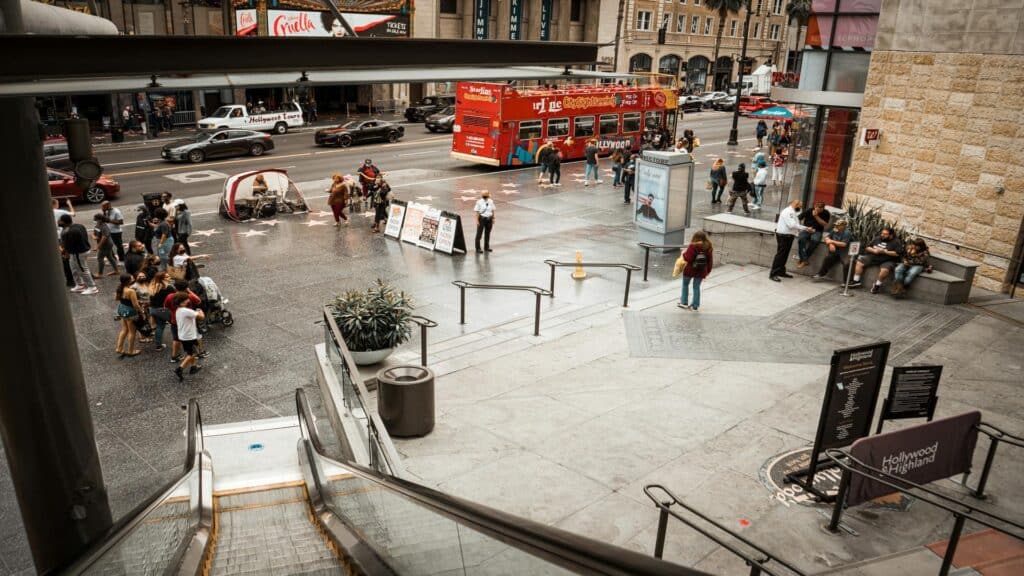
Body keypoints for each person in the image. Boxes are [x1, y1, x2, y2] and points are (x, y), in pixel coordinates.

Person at [850, 227, 904, 293]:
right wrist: (874, 250)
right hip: (873, 256)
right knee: (860, 261)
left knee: (885, 270)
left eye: (885, 234)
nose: (882, 235)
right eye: (882, 233)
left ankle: (877, 285)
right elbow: (867, 247)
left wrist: (885, 252)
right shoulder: (878, 238)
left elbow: (897, 254)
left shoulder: (896, 242)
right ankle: (856, 281)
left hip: (887, 260)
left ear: (891, 235)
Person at [770, 200, 813, 282]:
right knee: (780, 255)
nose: (800, 208)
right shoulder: (788, 212)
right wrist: (806, 228)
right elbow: (792, 225)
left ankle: (781, 271)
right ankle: (773, 274)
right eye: (799, 206)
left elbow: (795, 222)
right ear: (795, 204)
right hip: (784, 236)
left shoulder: (792, 212)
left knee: (784, 255)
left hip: (788, 236)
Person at [165, 280, 205, 364]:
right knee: (197, 335)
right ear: (186, 287)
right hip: (189, 321)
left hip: (174, 320)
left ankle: (174, 356)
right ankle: (199, 353)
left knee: (176, 339)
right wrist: (189, 291)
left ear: (175, 287)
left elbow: (166, 307)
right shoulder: (189, 296)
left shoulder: (170, 296)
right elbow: (199, 301)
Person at [59, 214, 99, 295]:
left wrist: (64, 253)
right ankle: (80, 285)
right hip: (83, 250)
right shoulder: (79, 226)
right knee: (73, 268)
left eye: (59, 220)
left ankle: (92, 287)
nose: (58, 222)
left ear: (63, 222)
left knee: (83, 269)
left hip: (78, 253)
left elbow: (67, 245)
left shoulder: (68, 232)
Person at [677, 231, 714, 311]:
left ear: (695, 237)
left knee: (685, 285)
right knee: (696, 287)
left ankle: (684, 302)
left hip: (690, 269)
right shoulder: (709, 246)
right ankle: (695, 306)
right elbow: (710, 261)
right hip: (701, 270)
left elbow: (688, 258)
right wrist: (707, 271)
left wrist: (683, 253)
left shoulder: (693, 246)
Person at [173, 293, 205, 382]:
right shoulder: (186, 311)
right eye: (187, 299)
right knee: (192, 354)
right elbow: (201, 317)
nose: (189, 300)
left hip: (183, 336)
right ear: (182, 302)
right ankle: (179, 369)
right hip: (189, 336)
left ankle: (193, 367)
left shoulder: (178, 310)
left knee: (190, 351)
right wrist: (200, 311)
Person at [114, 274, 143, 358]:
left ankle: (119, 348)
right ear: (128, 281)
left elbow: (116, 298)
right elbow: (135, 305)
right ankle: (130, 350)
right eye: (132, 278)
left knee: (124, 329)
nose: (133, 278)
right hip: (130, 312)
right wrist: (141, 312)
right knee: (132, 332)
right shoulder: (131, 291)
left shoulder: (119, 288)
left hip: (122, 309)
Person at [796, 201, 831, 268]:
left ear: (823, 208)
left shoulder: (826, 213)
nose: (818, 210)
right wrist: (800, 227)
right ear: (815, 206)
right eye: (817, 208)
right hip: (807, 229)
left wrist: (816, 216)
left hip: (817, 230)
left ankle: (803, 259)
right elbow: (798, 217)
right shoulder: (809, 210)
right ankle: (805, 260)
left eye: (820, 209)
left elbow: (824, 224)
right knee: (801, 239)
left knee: (815, 240)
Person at [149, 272, 175, 351]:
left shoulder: (153, 286)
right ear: (162, 279)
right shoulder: (168, 288)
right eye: (167, 277)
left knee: (160, 326)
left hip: (153, 309)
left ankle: (158, 346)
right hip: (163, 310)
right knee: (175, 324)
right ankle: (179, 341)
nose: (169, 278)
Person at [53, 198, 76, 287]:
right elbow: (73, 214)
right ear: (55, 204)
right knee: (69, 256)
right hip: (62, 236)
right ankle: (72, 279)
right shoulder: (59, 212)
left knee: (63, 258)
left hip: (54, 237)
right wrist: (69, 204)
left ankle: (69, 279)